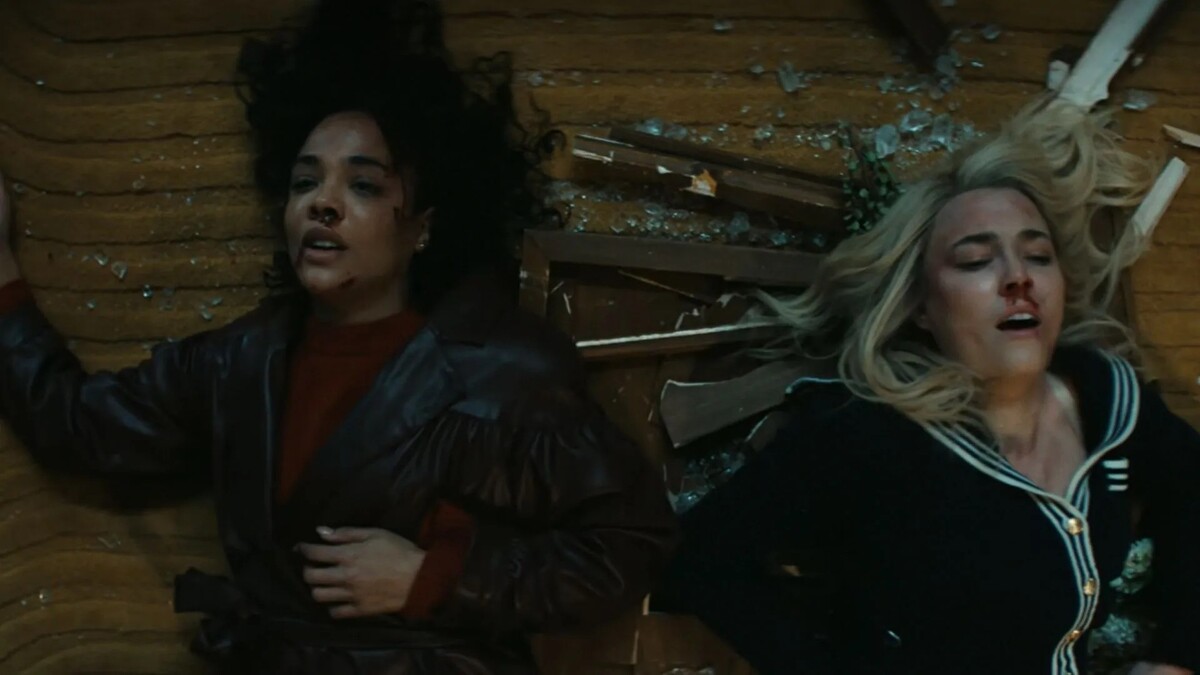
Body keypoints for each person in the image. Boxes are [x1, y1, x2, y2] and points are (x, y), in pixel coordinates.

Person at [0, 1, 677, 673]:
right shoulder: (238, 363)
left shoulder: (502, 370)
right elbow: (77, 426)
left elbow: (632, 540)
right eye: (305, 182)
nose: (322, 202)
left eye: (363, 185)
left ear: (422, 227)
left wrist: (436, 576)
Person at [655, 98, 1198, 675]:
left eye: (1038, 255)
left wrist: (1178, 655)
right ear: (920, 307)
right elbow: (698, 561)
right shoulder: (871, 437)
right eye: (975, 261)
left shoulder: (1106, 397)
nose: (1018, 277)